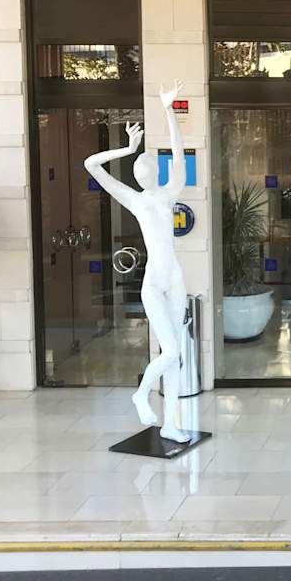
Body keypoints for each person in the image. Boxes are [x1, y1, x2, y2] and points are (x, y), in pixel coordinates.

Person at [84, 80, 191, 442]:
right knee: (170, 350)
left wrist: (168, 110)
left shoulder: (169, 193)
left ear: (155, 171)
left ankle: (171, 424)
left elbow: (179, 154)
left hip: (175, 278)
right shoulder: (134, 199)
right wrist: (127, 148)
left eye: (147, 168)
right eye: (138, 170)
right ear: (135, 176)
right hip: (154, 283)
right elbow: (90, 164)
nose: (143, 174)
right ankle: (141, 393)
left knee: (174, 355)